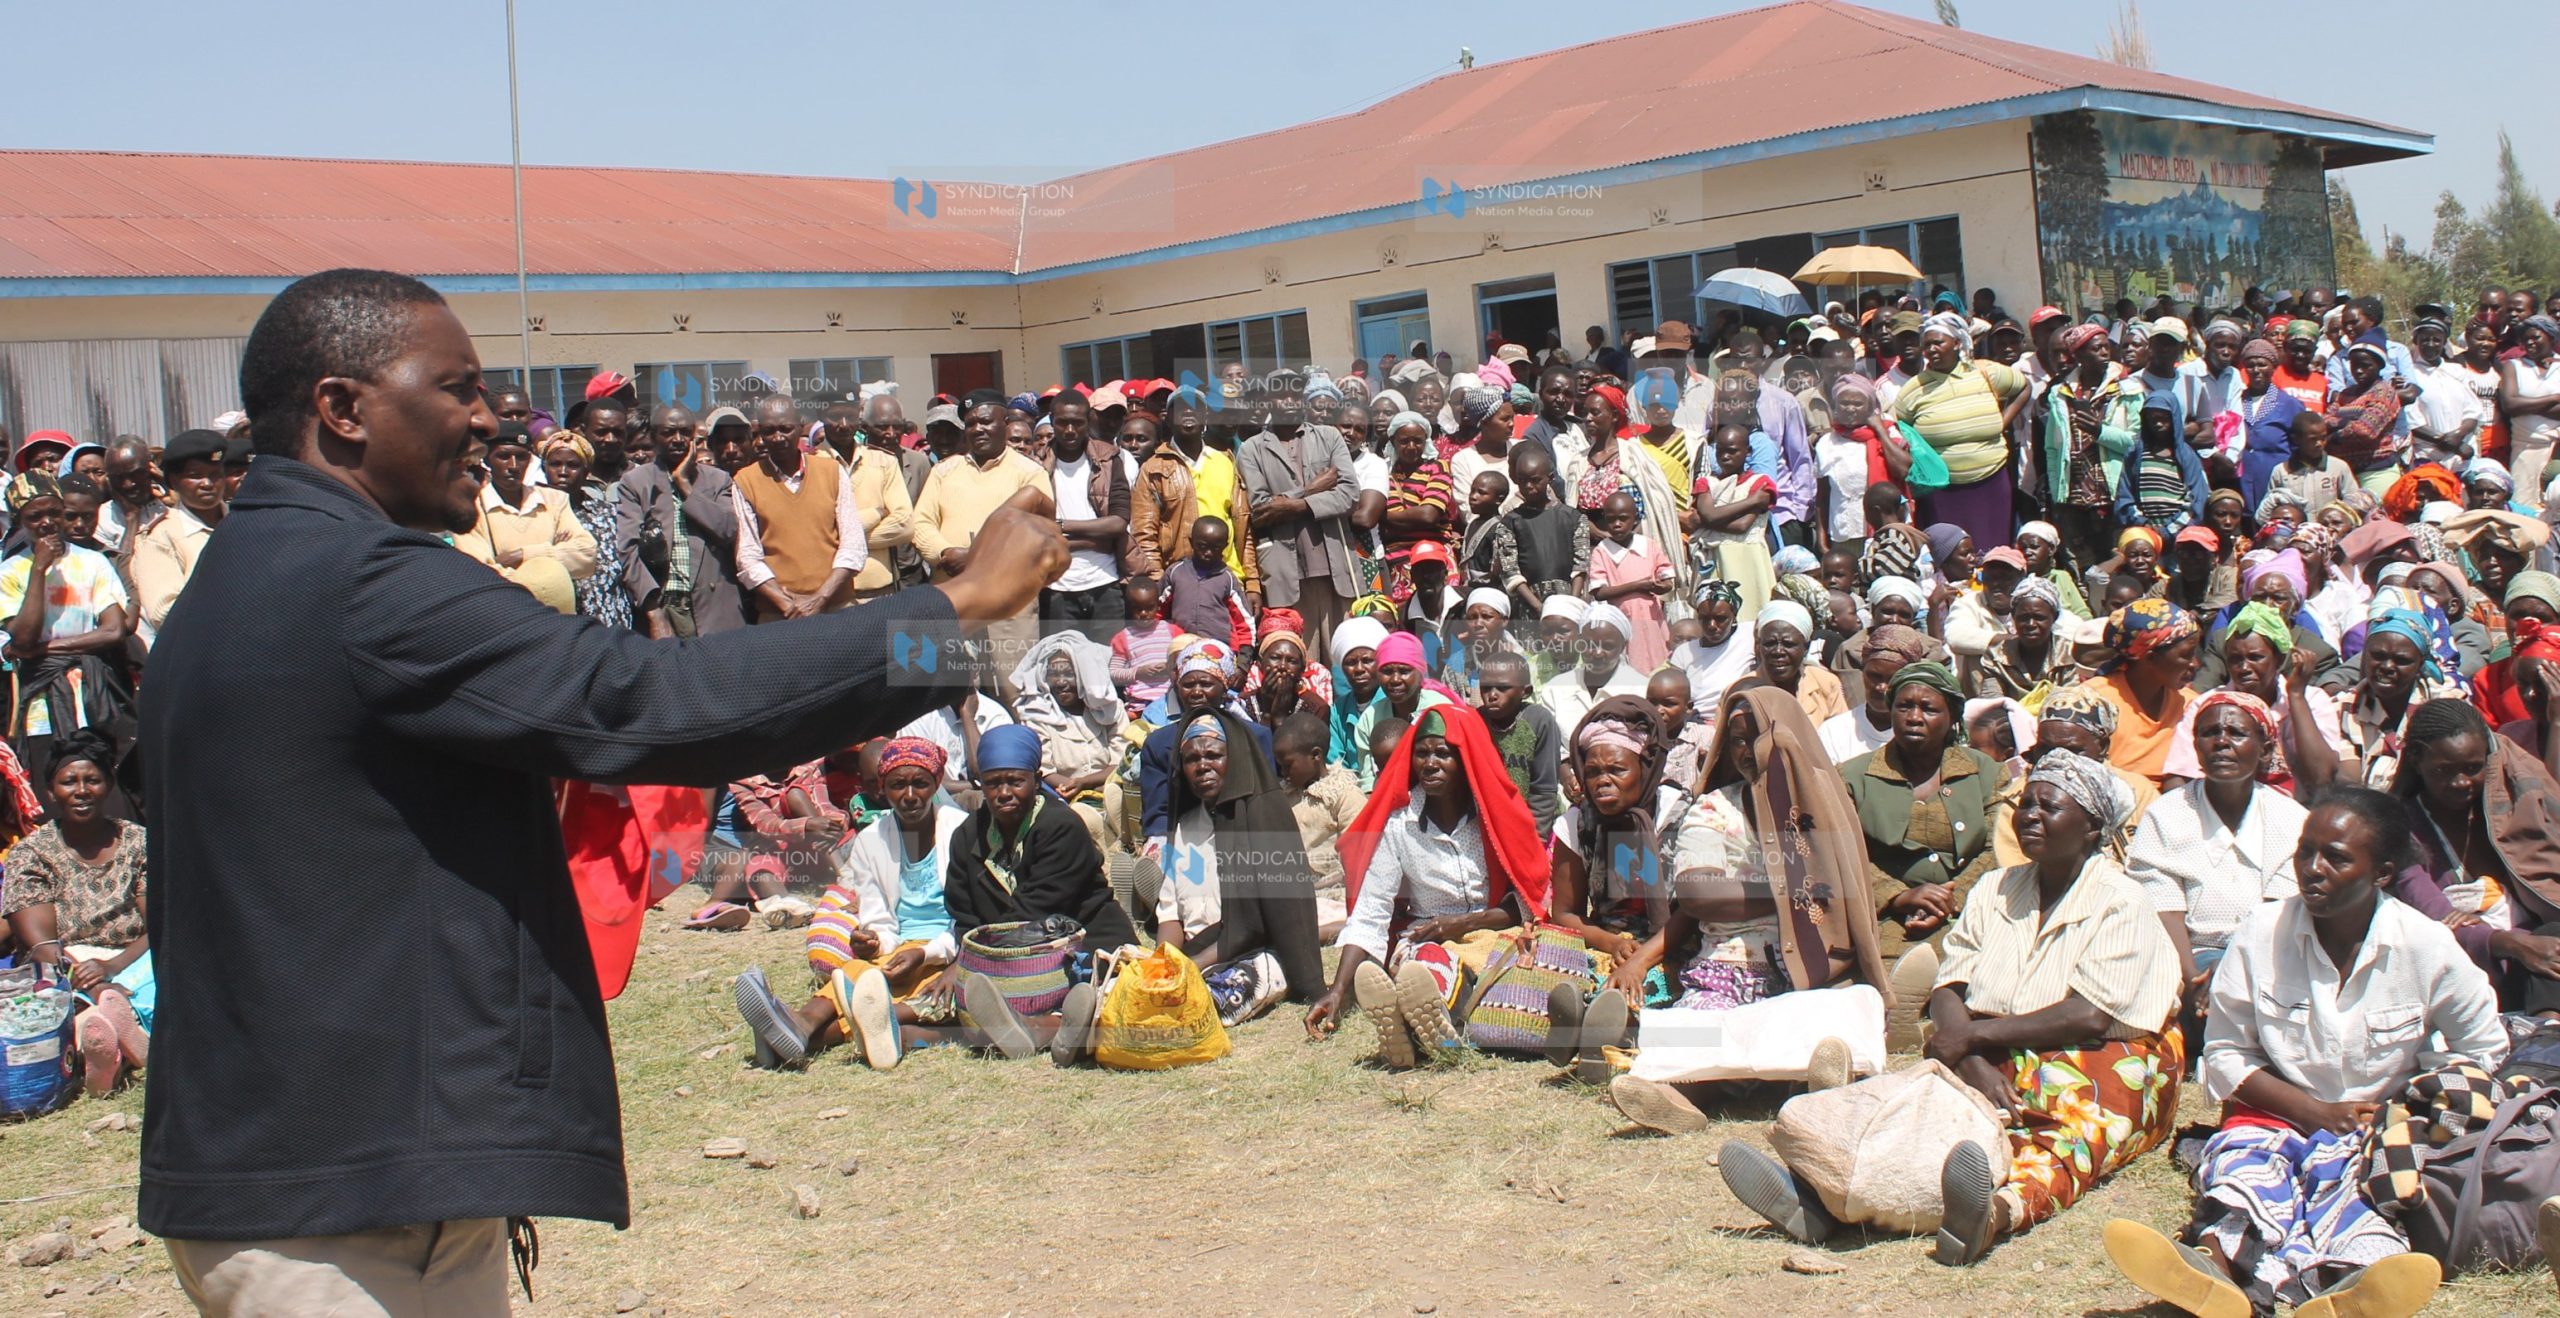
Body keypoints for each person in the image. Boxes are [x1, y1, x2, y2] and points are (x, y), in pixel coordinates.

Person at [137, 268, 1062, 1310]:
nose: (487, 415)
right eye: (456, 386)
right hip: (346, 1202)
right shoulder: (362, 585)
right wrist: (953, 606)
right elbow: (650, 700)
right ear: (344, 409)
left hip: (299, 1164)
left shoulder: (243, 575)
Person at [1726, 751, 2181, 1265]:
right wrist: (1969, 1062)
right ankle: (1818, 1198)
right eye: (2025, 804)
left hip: (2102, 1053)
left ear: (2093, 827)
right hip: (1992, 1045)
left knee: (2062, 1135)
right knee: (1923, 1117)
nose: (2029, 814)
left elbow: (2089, 1016)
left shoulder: (2122, 899)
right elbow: (1949, 987)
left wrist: (1969, 1043)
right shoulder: (1994, 888)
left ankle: (1995, 1212)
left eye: (2047, 807)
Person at [2105, 787, 2501, 1318]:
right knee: (2245, 1180)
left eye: (2335, 858)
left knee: (2358, 1198)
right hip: (2272, 1114)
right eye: (2304, 851)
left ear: (2382, 873)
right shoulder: (2260, 933)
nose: (2311, 869)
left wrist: (2410, 1106)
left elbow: (2485, 1047)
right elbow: (2224, 1054)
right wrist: (2311, 1113)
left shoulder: (2425, 945)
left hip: (2374, 1126)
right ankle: (2210, 1275)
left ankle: (2346, 1290)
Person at [1612, 686, 1892, 1132]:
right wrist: (1792, 892)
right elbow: (1700, 894)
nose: (1747, 751)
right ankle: (1681, 1101)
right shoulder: (1714, 808)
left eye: (1758, 736)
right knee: (1693, 1034)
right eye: (1737, 740)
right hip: (1730, 967)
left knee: (1837, 1017)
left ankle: (1806, 1087)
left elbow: (1846, 891)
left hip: (1808, 974)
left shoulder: (1825, 808)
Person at [1302, 705, 1551, 1069]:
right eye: (1422, 753)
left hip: (1496, 932)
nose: (1430, 763)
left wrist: (1463, 924)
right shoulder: (1399, 824)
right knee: (1427, 968)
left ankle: (1417, 1030)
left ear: (1466, 759)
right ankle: (1430, 1030)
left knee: (1509, 974)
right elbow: (1372, 909)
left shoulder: (1496, 815)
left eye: (1443, 753)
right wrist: (1338, 990)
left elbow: (1529, 901)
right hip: (1428, 940)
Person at [733, 736, 968, 1071]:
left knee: (871, 982)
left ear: (936, 783)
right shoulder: (871, 841)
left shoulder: (961, 832)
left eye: (921, 784)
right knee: (864, 971)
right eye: (898, 785)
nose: (910, 796)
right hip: (902, 947)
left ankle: (794, 1028)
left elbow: (972, 917)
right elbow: (880, 921)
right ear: (882, 788)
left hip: (949, 949)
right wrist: (873, 941)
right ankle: (796, 1028)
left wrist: (926, 954)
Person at [937, 725, 1142, 1062]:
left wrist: (980, 962)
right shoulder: (967, 835)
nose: (1003, 792)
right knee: (946, 994)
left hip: (1083, 939)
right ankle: (899, 1025)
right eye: (992, 783)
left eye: (1015, 781)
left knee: (1109, 991)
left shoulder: (1060, 826)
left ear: (1036, 779)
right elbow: (964, 913)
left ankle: (1038, 1027)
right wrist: (963, 959)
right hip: (1003, 955)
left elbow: (1035, 910)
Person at [1842, 660, 2009, 1047]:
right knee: (1881, 976)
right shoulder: (1852, 777)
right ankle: (1902, 1018)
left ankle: (1936, 1020)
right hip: (1890, 917)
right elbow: (1843, 854)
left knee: (1985, 975)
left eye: (1929, 709)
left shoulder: (1987, 773)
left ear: (1951, 717)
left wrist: (1950, 899)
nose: (1914, 717)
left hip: (1970, 909)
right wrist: (1898, 896)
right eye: (1904, 706)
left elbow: (1997, 848)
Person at [2128, 691, 2310, 1045]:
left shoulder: (2290, 819)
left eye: (2236, 733)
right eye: (2210, 733)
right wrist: (2192, 978)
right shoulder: (2166, 814)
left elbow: (2279, 917)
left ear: (2265, 750)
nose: (2222, 742)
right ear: (2195, 747)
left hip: (2266, 957)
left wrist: (2230, 976)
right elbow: (2162, 910)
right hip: (2186, 960)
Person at [1156, 708, 1328, 1026]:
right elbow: (1170, 914)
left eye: (1213, 755)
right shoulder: (1185, 826)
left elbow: (1258, 925)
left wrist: (1193, 966)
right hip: (1198, 951)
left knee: (1212, 999)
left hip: (1255, 954)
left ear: (1232, 759)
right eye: (1192, 759)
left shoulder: (1263, 817)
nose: (1203, 766)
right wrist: (1162, 964)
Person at [2384, 699, 2560, 1008]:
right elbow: (2434, 915)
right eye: (2443, 771)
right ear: (2416, 761)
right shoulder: (2401, 826)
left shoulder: (2508, 810)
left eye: (2472, 768)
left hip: (2535, 957)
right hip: (2456, 970)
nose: (2461, 782)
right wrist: (2513, 944)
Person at [2, 732, 149, 1097]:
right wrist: (94, 981)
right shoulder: (33, 853)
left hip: (133, 956)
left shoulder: (139, 841)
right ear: (51, 791)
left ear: (108, 785)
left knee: (166, 967)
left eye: (93, 780)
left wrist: (114, 967)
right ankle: (111, 1042)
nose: (81, 790)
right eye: (69, 782)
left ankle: (110, 1041)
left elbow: (159, 923)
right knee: (61, 995)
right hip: (68, 963)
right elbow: (43, 944)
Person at [1239, 370, 1361, 650]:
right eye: (1282, 394)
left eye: (1296, 393)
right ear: (1268, 401)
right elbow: (1261, 509)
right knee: (1301, 660)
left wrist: (1295, 503)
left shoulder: (1329, 436)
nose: (1290, 400)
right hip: (1285, 572)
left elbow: (1350, 495)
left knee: (1343, 656)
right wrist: (1312, 488)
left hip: (1335, 568)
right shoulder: (1251, 449)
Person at [1894, 313, 2027, 556]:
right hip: (1943, 492)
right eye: (1926, 345)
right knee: (1950, 556)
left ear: (1957, 343)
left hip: (1991, 483)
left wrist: (2002, 420)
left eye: (1938, 342)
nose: (1931, 349)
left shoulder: (1986, 373)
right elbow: (1900, 428)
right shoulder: (1913, 389)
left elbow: (2023, 387)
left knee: (1993, 552)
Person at [728, 393, 868, 621]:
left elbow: (853, 545)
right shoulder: (746, 481)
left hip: (837, 606)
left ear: (800, 427)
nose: (777, 437)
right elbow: (747, 556)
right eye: (769, 431)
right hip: (779, 614)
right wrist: (787, 604)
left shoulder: (831, 471)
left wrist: (820, 598)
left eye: (785, 429)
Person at [454, 421, 595, 608]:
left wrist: (524, 555)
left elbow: (586, 554)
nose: (513, 466)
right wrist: (545, 579)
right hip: (505, 615)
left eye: (521, 457)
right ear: (487, 460)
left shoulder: (553, 500)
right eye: (503, 457)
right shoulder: (472, 507)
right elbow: (479, 571)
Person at [2335, 599, 2464, 789]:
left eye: (2401, 660)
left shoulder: (2447, 706)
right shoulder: (2345, 708)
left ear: (2421, 664)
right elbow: (2347, 780)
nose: (2387, 667)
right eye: (2378, 656)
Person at [2085, 599, 2203, 787]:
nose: (2194, 664)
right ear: (2150, 658)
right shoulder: (2093, 702)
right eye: (2186, 655)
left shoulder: (2191, 706)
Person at [127, 427, 228, 644]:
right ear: (173, 481)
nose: (207, 483)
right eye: (195, 476)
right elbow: (164, 613)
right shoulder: (161, 537)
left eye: (214, 474)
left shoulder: (245, 522)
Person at [1035, 391, 1126, 630]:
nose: (1070, 430)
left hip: (1105, 582)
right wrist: (1093, 541)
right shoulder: (1035, 464)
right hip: (1057, 587)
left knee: (1107, 664)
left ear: (1089, 421)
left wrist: (1062, 526)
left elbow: (1118, 522)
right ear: (1051, 420)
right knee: (1063, 664)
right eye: (1062, 422)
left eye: (1077, 423)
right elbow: (1036, 532)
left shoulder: (1109, 459)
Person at [539, 435, 638, 629]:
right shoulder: (535, 515)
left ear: (586, 472)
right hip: (560, 627)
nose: (563, 472)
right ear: (544, 469)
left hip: (611, 623)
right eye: (555, 464)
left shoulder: (608, 513)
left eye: (573, 465)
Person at [1476, 651, 1562, 840]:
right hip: (1491, 827)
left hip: (1536, 825)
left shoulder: (1539, 721)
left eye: (1502, 688)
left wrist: (1534, 839)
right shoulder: (1476, 722)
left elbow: (1544, 789)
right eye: (1486, 688)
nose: (1492, 695)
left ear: (1526, 691)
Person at [1587, 491, 1675, 672]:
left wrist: (1661, 587)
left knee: (1658, 659)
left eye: (1623, 519)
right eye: (1611, 519)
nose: (1617, 524)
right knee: (1631, 663)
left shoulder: (1648, 545)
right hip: (1623, 620)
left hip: (1652, 619)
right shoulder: (1602, 551)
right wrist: (1637, 586)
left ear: (1635, 519)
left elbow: (1667, 580)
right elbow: (1599, 592)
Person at [1539, 603, 1649, 734]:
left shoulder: (1642, 690)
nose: (1597, 653)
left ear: (1623, 646)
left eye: (1608, 646)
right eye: (1590, 645)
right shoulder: (1555, 689)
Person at [1752, 598, 1848, 728]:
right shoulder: (1743, 689)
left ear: (1806, 648)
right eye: (1770, 644)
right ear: (1759, 646)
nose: (1778, 651)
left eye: (1788, 644)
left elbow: (1841, 737)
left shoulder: (1825, 684)